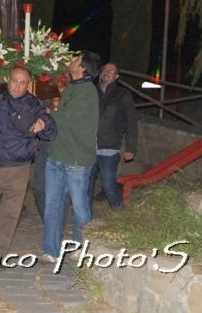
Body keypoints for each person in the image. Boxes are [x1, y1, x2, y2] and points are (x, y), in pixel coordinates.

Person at [0, 67, 56, 257]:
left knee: (10, 213)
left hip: (19, 168)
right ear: (8, 79)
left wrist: (43, 125)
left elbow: (52, 130)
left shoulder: (34, 104)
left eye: (23, 83)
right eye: (14, 81)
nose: (17, 86)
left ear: (28, 85)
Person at [42, 51, 101, 262]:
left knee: (79, 206)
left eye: (75, 60)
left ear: (83, 68)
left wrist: (47, 114)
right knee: (52, 205)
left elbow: (68, 119)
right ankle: (51, 249)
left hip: (76, 160)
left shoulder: (87, 92)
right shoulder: (72, 88)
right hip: (57, 155)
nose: (71, 61)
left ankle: (83, 246)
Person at [88, 63, 137, 209]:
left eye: (111, 71)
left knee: (108, 183)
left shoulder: (123, 94)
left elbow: (131, 122)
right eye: (104, 70)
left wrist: (131, 148)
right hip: (89, 146)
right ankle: (85, 217)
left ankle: (119, 211)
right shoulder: (91, 91)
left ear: (116, 77)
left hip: (109, 147)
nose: (106, 72)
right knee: (87, 183)